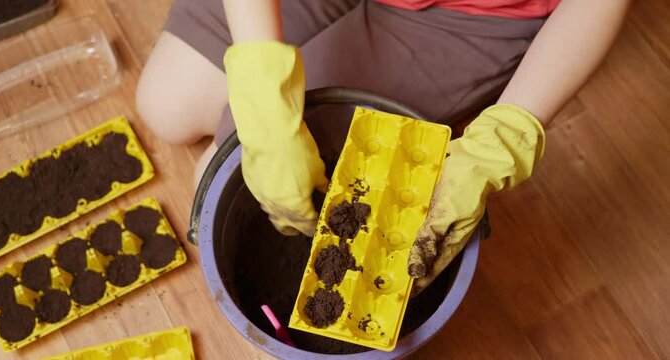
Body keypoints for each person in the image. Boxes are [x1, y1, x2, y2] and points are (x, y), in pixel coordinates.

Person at [136, 0, 630, 294]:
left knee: (218, 167)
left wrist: (502, 140)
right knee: (166, 106)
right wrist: (264, 100)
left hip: (468, 12)